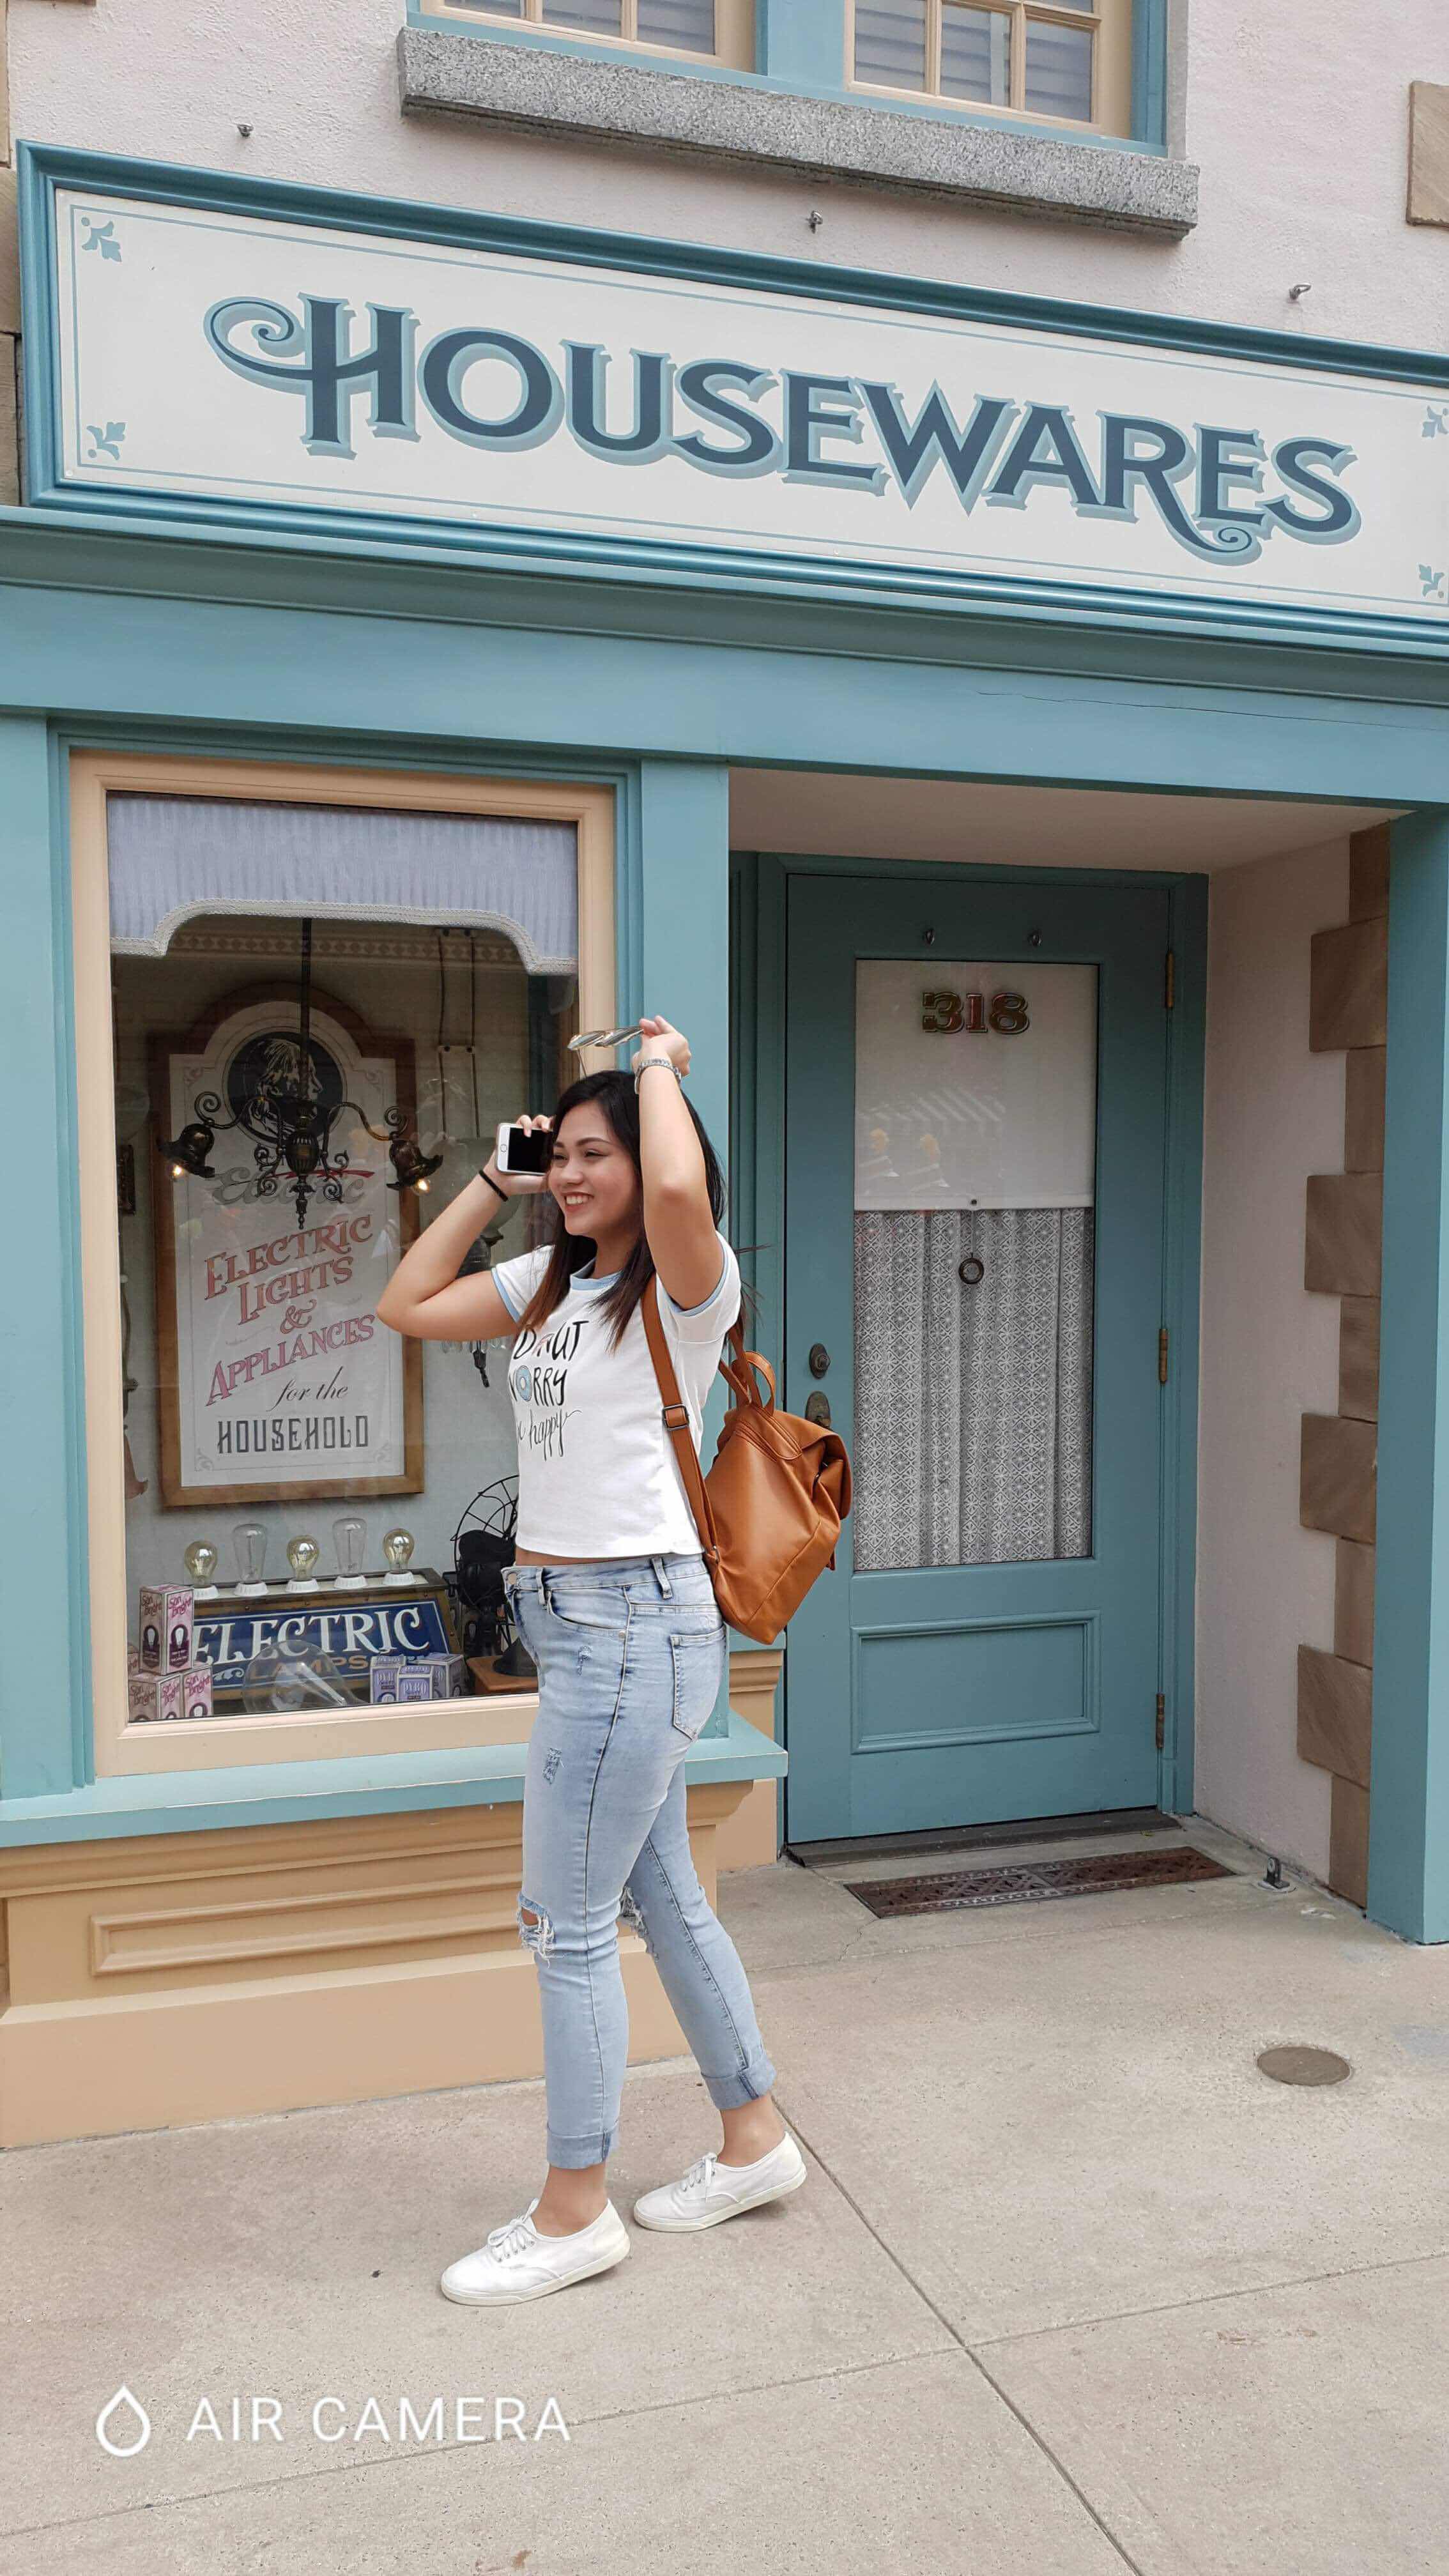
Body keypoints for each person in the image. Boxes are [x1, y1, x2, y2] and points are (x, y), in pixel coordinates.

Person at [376, 1014, 804, 2305]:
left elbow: (675, 1186)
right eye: (557, 1154)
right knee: (661, 1897)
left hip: (633, 1626)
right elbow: (406, 1303)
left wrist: (659, 1066)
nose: (570, 1174)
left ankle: (575, 2212)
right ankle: (755, 2139)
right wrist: (491, 1180)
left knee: (565, 1926)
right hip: (581, 1630)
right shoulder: (552, 1285)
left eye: (590, 1154)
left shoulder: (688, 1283)